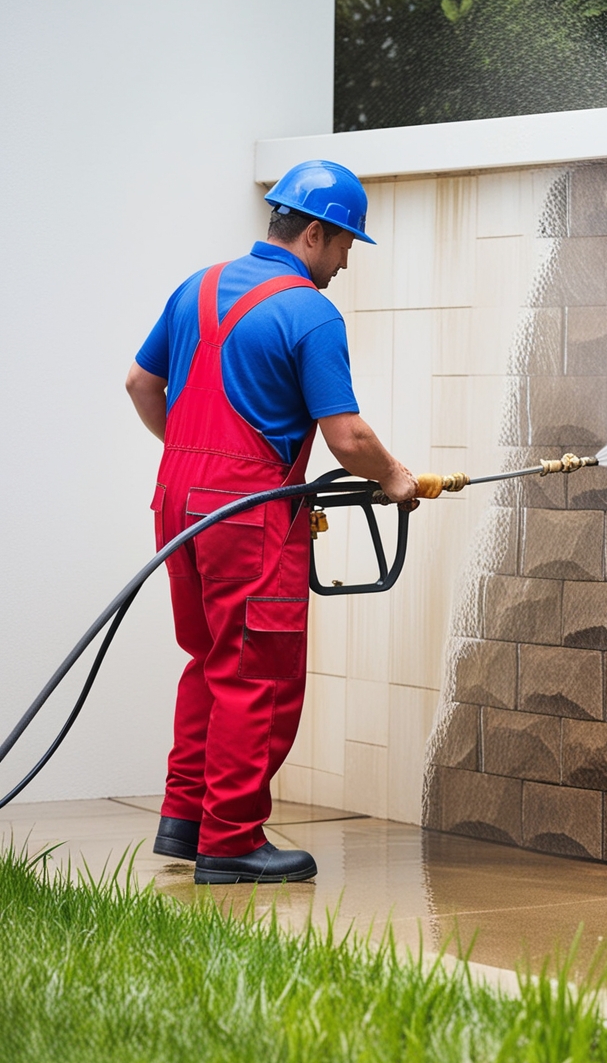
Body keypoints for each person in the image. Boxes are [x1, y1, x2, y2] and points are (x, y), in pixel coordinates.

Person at [125, 160, 417, 885]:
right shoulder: (310, 312)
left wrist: (195, 464)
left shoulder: (196, 286)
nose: (348, 260)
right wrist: (395, 478)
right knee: (258, 675)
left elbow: (140, 382)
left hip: (178, 504)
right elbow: (345, 438)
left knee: (209, 660)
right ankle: (230, 842)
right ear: (314, 233)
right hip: (248, 517)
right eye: (346, 243)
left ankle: (185, 821)